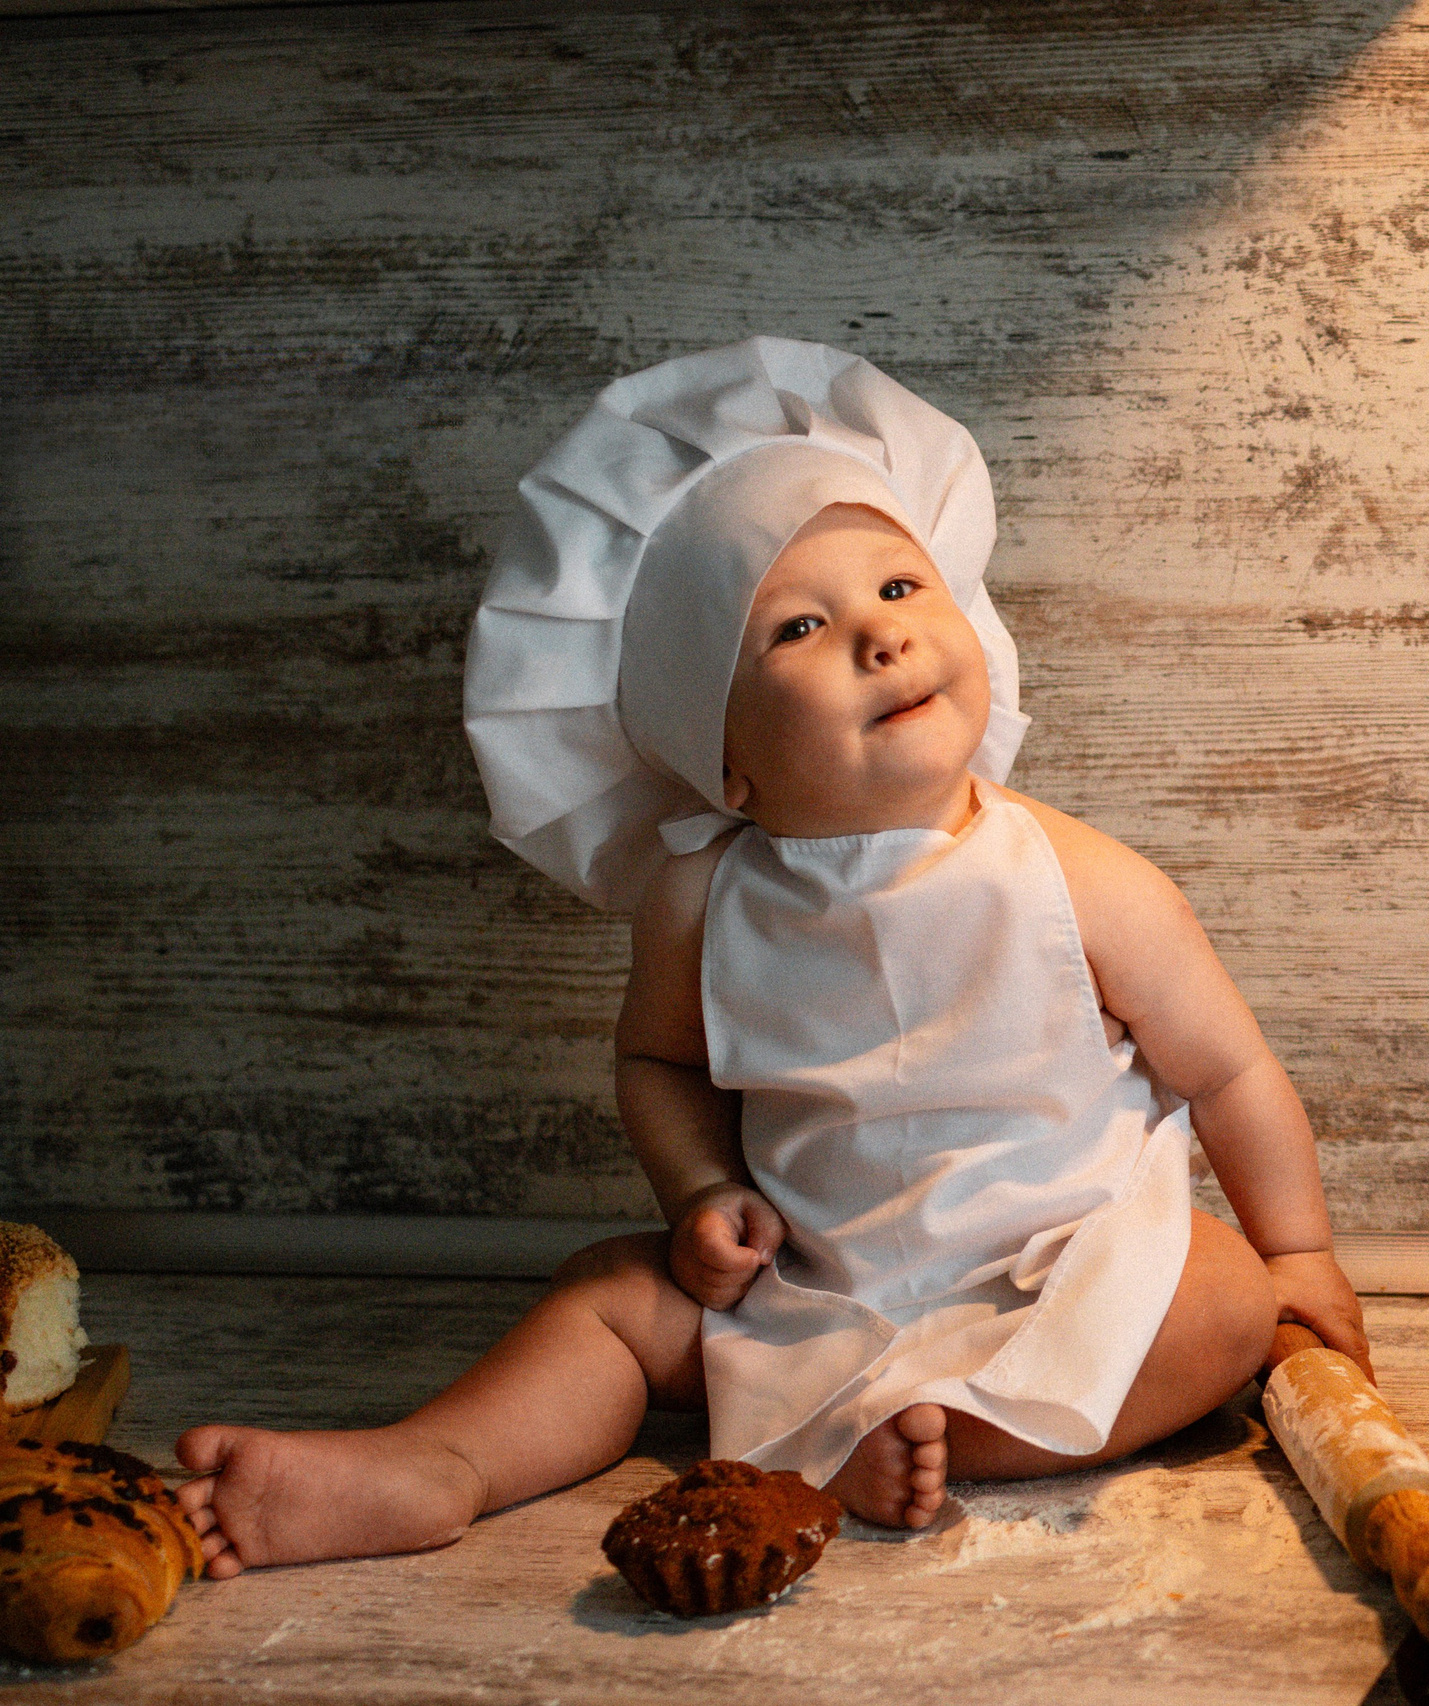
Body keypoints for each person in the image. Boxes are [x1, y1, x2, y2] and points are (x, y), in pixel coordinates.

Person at [174, 338, 1368, 1574]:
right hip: (809, 1285)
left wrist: (1298, 1251)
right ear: (722, 759)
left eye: (900, 585)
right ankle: (437, 1460)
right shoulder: (700, 899)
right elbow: (656, 1063)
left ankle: (905, 1434)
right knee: (607, 1298)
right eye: (801, 625)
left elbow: (1228, 1073)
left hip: (1051, 1274)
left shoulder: (1082, 879)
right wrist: (699, 1190)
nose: (880, 634)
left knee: (1223, 1298)